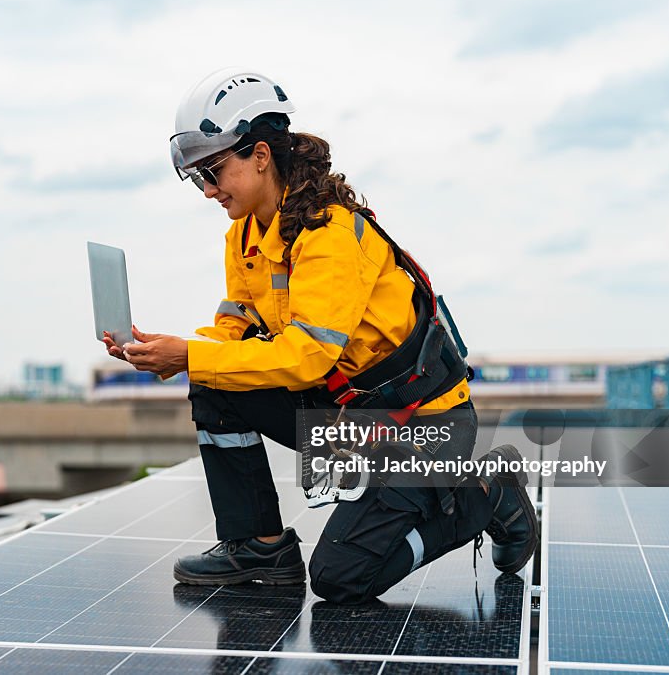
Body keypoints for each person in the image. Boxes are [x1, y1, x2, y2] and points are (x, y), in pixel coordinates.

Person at [101, 68, 537, 604]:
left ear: (260, 155)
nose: (208, 190)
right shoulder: (243, 236)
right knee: (213, 382)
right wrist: (166, 353)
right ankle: (259, 546)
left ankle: (486, 495)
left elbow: (309, 355)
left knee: (340, 578)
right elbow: (233, 333)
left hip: (422, 427)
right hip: (354, 418)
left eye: (213, 171)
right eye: (198, 178)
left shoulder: (328, 234)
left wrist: (191, 355)